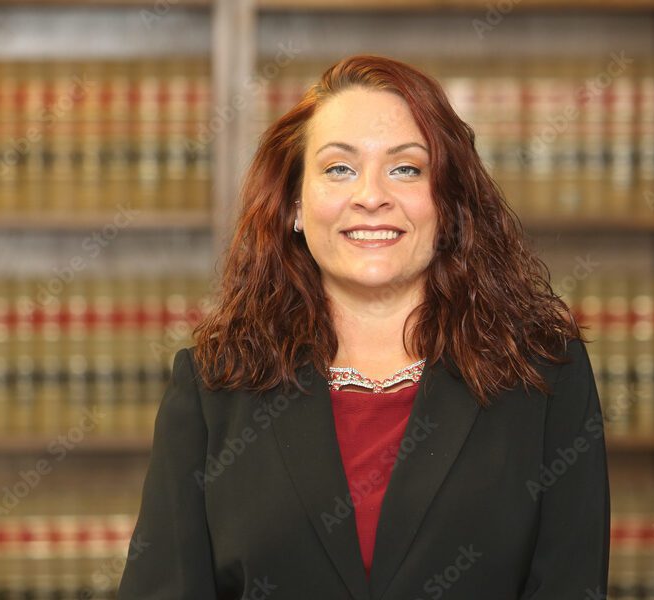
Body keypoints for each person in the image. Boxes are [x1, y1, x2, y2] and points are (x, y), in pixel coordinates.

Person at [117, 54, 609, 600]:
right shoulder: (214, 385)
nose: (372, 196)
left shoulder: (542, 374)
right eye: (339, 169)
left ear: (447, 203)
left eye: (405, 168)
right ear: (295, 207)